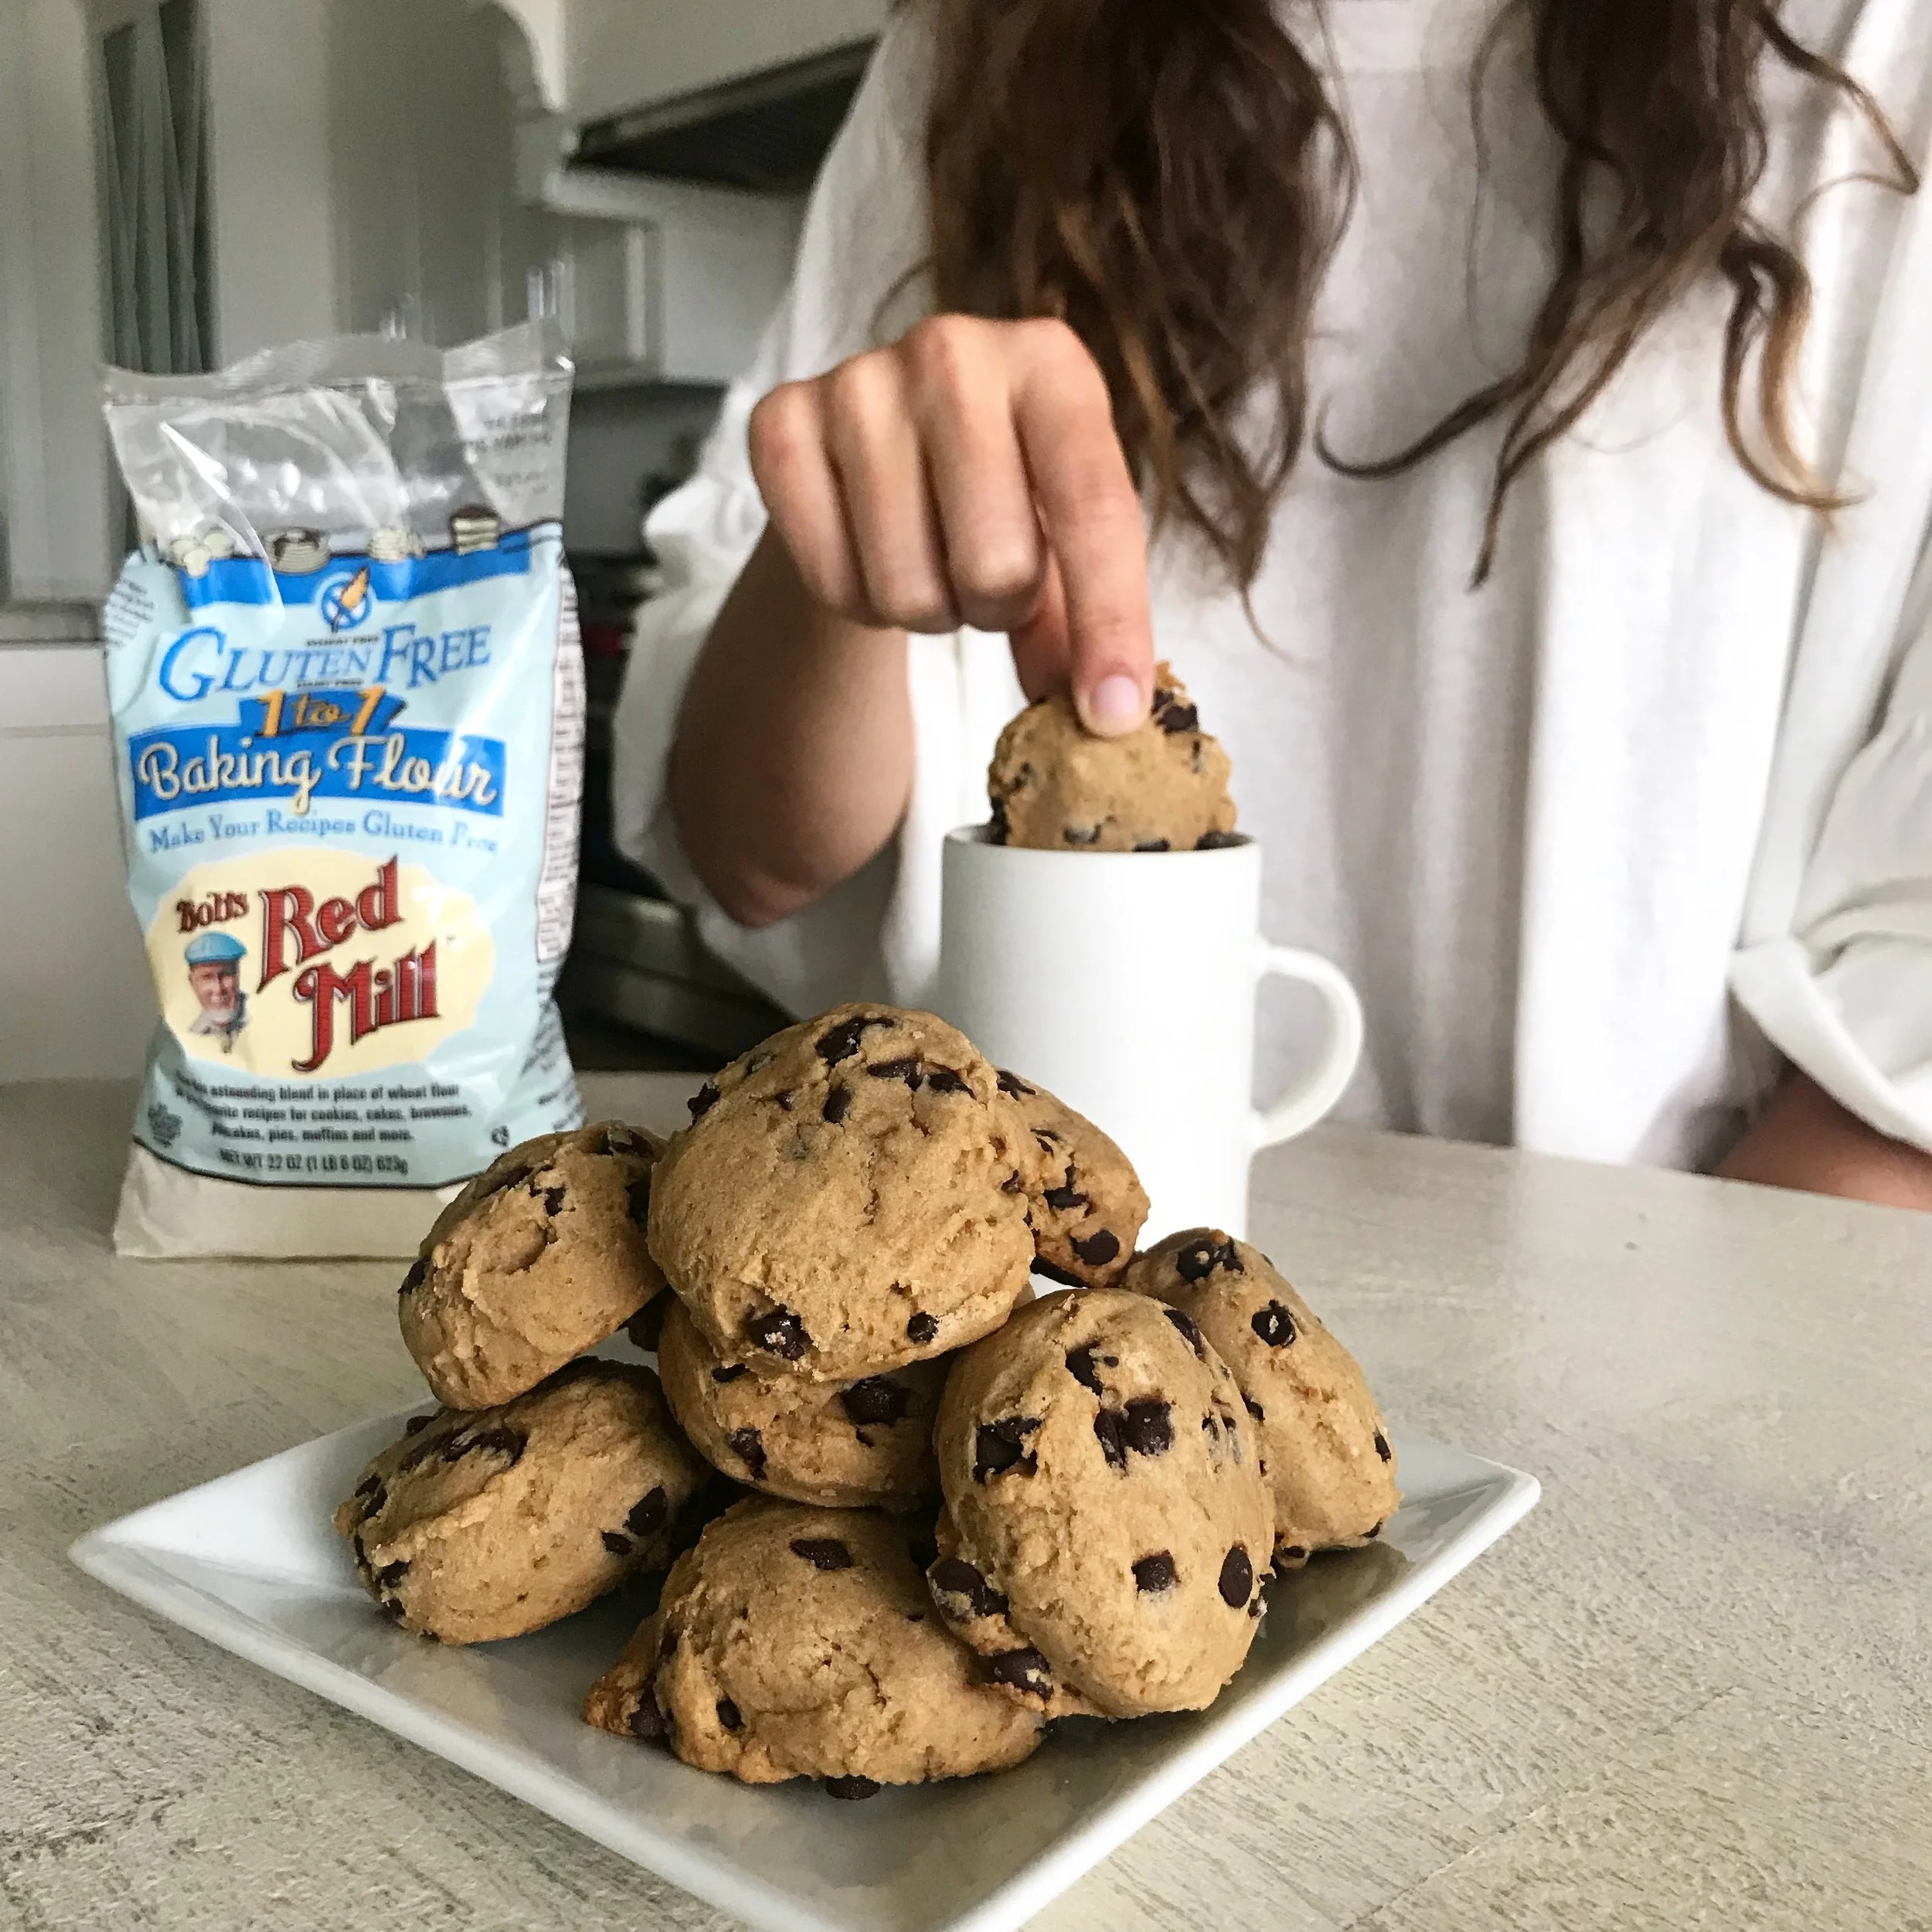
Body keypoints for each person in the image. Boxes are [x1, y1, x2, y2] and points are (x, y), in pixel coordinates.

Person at [613, 0, 1932, 1209]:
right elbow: (749, 857)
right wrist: (845, 546)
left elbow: (1904, 1064)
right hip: (1008, 1275)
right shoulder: (985, 49)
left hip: (1666, 1313)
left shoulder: (1883, 56)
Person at [183, 930, 250, 1053]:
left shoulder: (261, 1017)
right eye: (207, 978)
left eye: (225, 975)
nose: (218, 989)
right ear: (192, 983)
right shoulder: (191, 1035)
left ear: (238, 976)